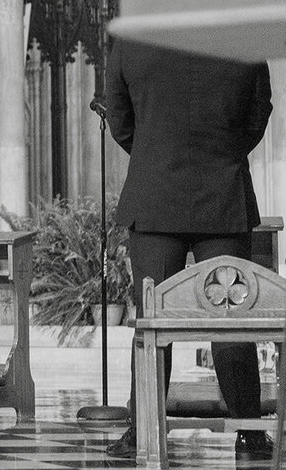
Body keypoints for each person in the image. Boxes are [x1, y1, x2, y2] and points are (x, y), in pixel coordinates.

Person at [103, 38, 273, 461]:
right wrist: (223, 156)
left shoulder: (132, 41)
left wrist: (154, 155)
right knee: (234, 319)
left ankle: (142, 430)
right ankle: (249, 431)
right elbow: (258, 113)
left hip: (156, 195)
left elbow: (119, 117)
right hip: (222, 197)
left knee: (151, 323)